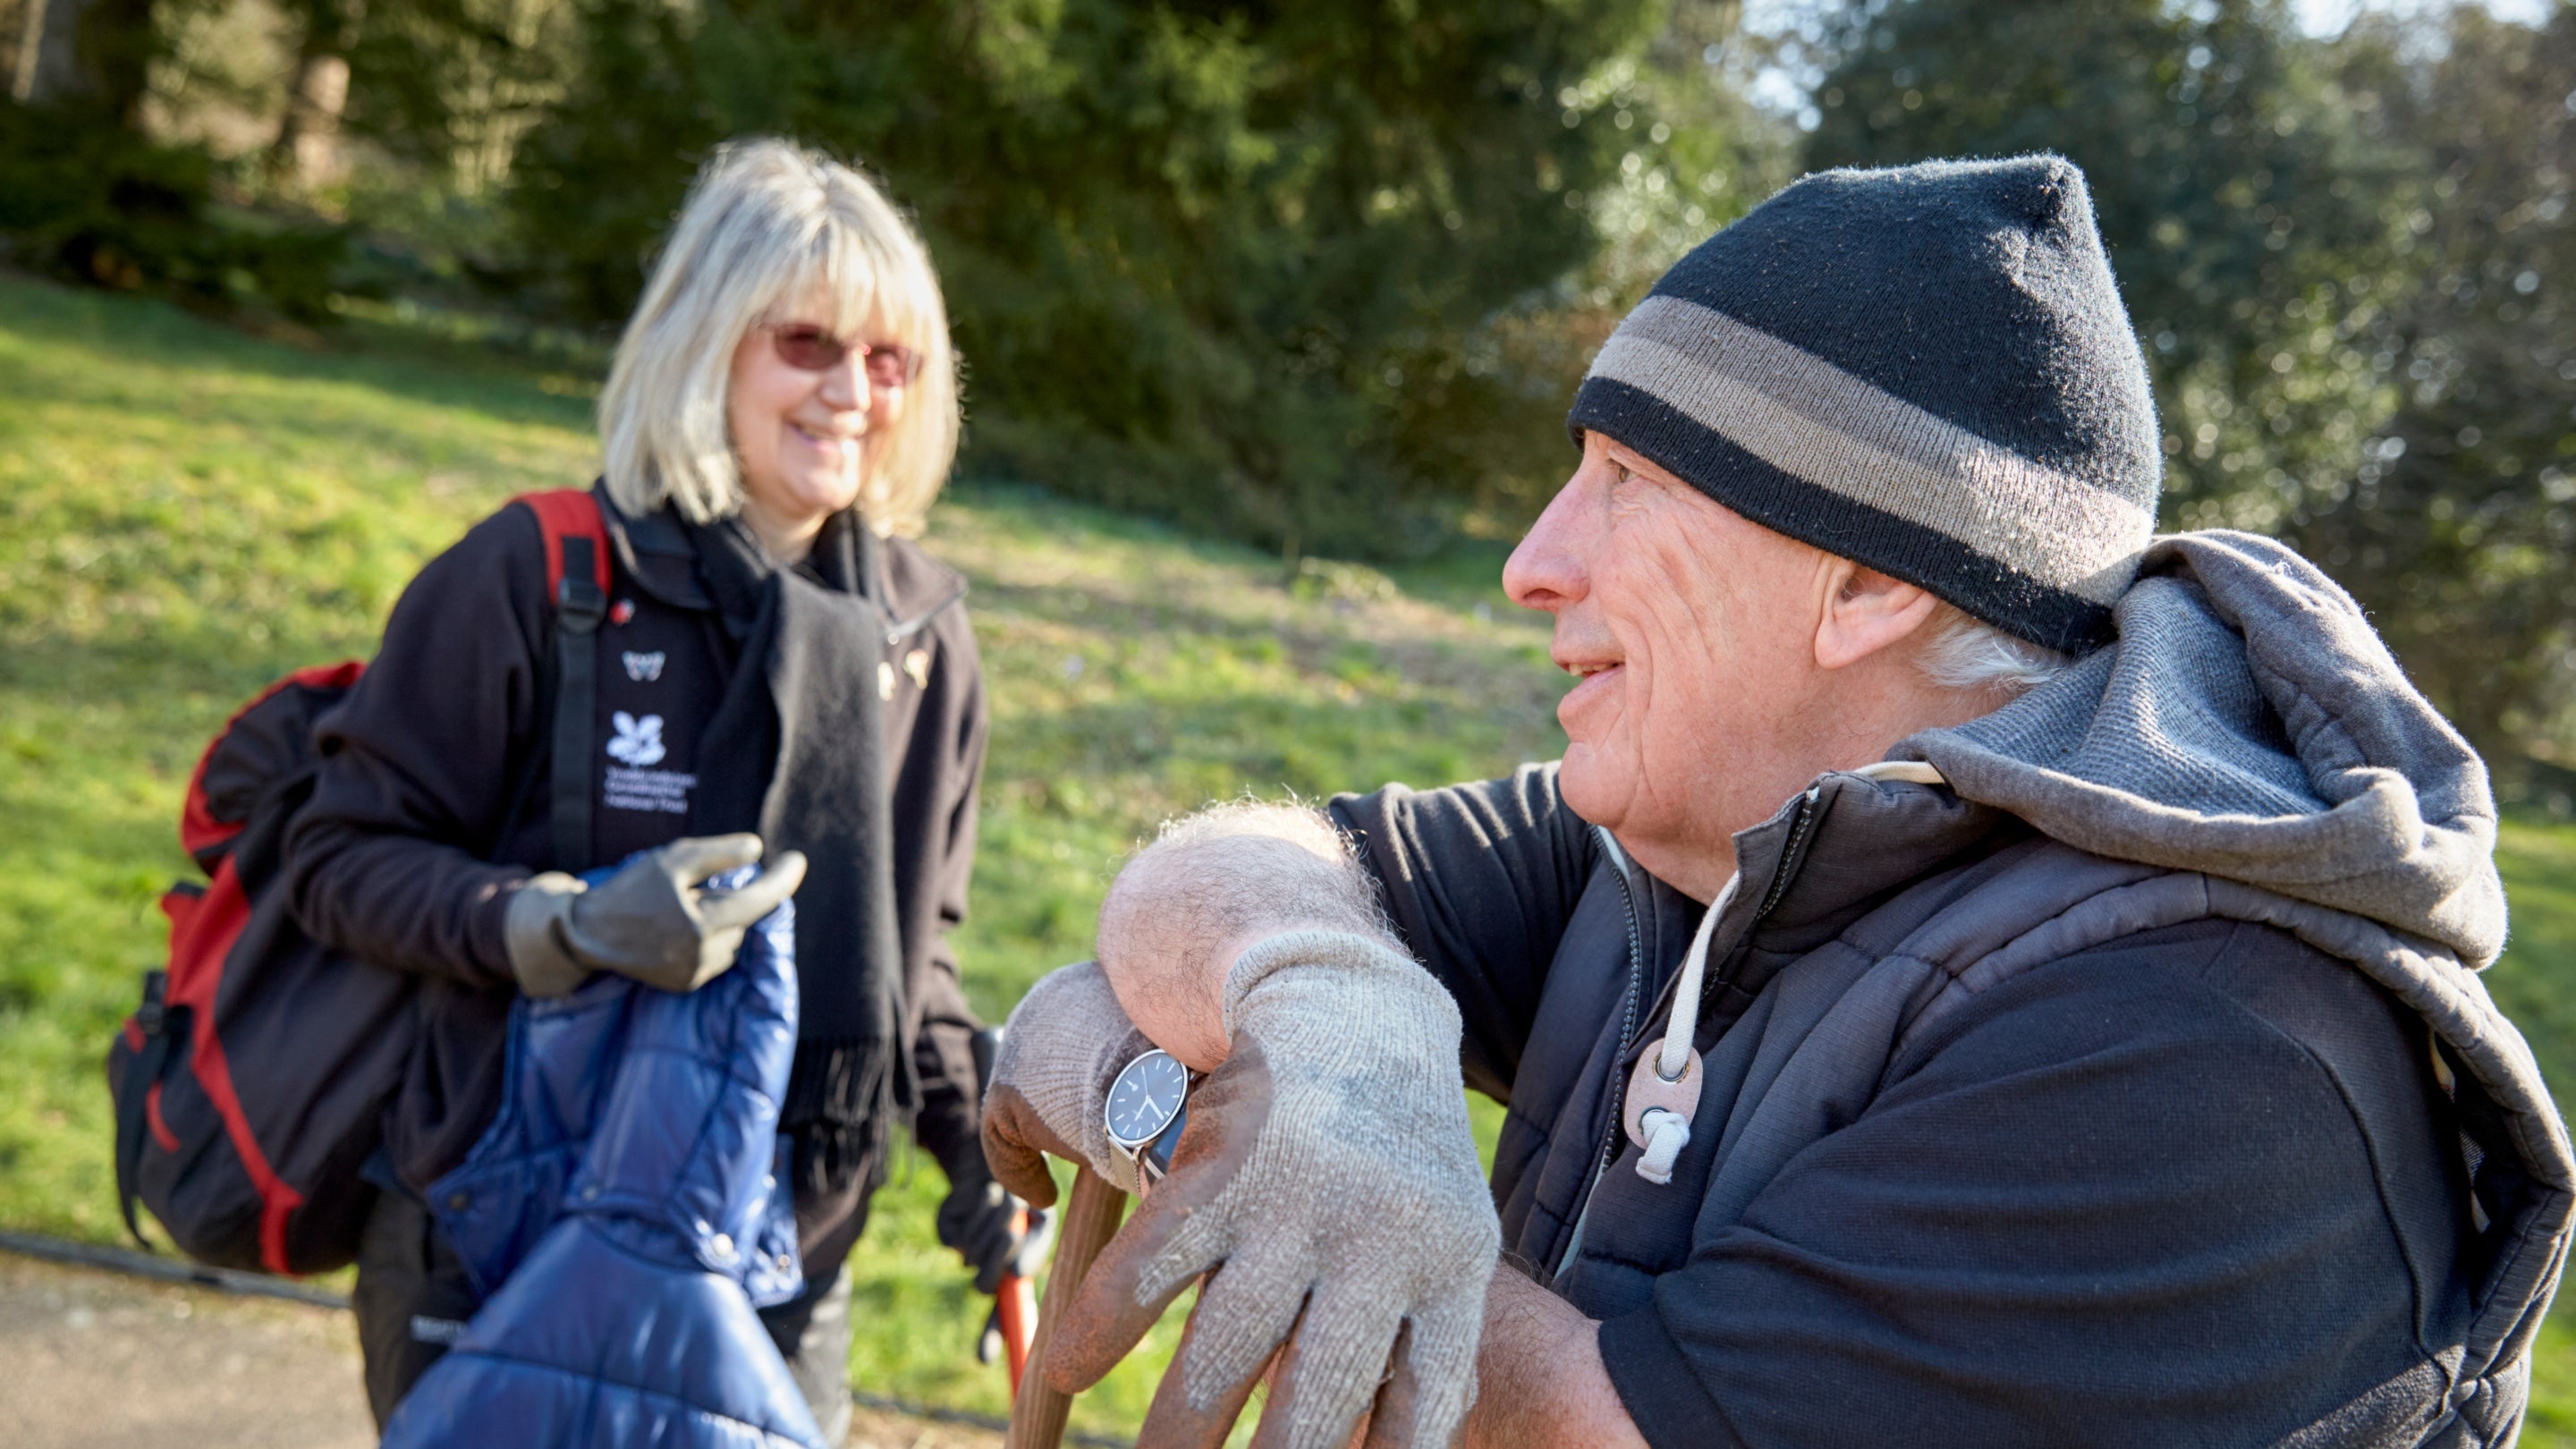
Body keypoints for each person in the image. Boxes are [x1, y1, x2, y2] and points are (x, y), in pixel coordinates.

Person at [982, 155, 2573, 1448]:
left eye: (1626, 483)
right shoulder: (1689, 835)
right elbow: (1248, 865)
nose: (1538, 560)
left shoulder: (2197, 1046)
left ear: (1868, 579)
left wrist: (1152, 1098)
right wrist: (1323, 1007)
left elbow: (1598, 1435)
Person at [284, 137, 1028, 1441]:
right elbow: (339, 858)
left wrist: (988, 1160)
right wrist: (564, 927)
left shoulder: (922, 636)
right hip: (501, 1226)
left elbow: (922, 969)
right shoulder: (539, 576)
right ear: (708, 342)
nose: (854, 390)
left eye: (890, 357)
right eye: (807, 342)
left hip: (786, 1254)